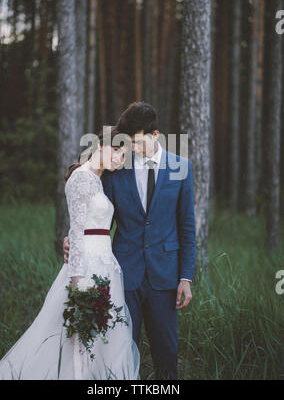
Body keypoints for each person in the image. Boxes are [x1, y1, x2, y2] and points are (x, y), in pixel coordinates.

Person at [0, 126, 140, 380]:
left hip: (105, 264)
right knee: (78, 333)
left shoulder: (98, 181)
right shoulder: (81, 177)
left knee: (103, 332)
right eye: (116, 151)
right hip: (87, 264)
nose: (119, 159)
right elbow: (78, 231)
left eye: (123, 156)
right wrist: (77, 280)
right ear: (100, 146)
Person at [63, 102, 197, 380]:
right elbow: (100, 217)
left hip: (166, 276)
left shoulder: (180, 167)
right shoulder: (117, 169)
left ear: (155, 135)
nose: (131, 148)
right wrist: (74, 240)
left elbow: (187, 226)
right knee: (122, 352)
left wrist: (186, 277)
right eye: (127, 142)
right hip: (124, 274)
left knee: (166, 353)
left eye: (136, 142)